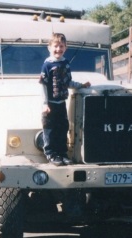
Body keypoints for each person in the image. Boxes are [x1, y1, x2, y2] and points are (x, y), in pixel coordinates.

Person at [39, 33, 91, 166]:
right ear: (49, 47)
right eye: (55, 46)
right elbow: (43, 85)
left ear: (66, 48)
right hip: (50, 105)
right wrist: (45, 104)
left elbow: (68, 82)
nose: (58, 49)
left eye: (61, 46)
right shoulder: (47, 65)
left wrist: (81, 85)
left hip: (61, 103)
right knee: (50, 129)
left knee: (62, 128)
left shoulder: (65, 63)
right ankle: (51, 154)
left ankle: (62, 154)